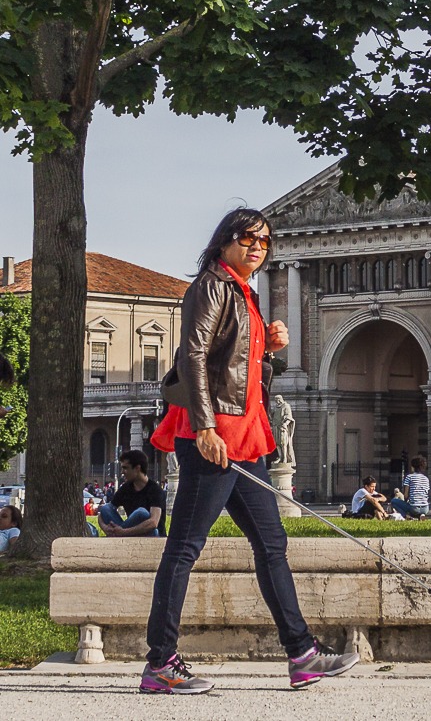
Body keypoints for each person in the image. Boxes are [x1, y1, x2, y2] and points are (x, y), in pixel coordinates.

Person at [145, 207, 358, 694]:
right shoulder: (212, 284)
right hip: (215, 433)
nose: (258, 246)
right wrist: (203, 427)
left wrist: (268, 345)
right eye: (248, 238)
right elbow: (194, 356)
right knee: (183, 548)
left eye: (265, 240)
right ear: (224, 241)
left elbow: (234, 360)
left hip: (244, 433)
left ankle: (302, 655)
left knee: (272, 545)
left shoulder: (245, 292)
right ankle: (160, 663)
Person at [98, 449, 166, 537]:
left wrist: (123, 532)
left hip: (152, 535)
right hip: (130, 532)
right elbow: (102, 514)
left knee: (141, 513)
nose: (122, 472)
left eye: (125, 468)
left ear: (137, 468)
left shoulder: (155, 490)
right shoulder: (126, 488)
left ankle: (118, 536)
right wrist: (105, 528)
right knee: (106, 508)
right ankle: (118, 535)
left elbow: (153, 523)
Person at [391, 456, 430, 520]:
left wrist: (406, 500)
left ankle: (406, 516)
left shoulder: (409, 477)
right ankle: (421, 515)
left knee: (393, 501)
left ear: (413, 467)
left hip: (414, 507)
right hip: (426, 508)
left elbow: (406, 495)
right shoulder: (426, 478)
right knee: (417, 509)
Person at [271, 395, 296, 466]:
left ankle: (285, 458)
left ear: (281, 399)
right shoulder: (275, 407)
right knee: (277, 444)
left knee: (283, 443)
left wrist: (285, 424)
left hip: (282, 427)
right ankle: (280, 457)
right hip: (276, 426)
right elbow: (272, 415)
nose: (276, 401)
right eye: (275, 400)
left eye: (277, 399)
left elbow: (289, 417)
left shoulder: (286, 406)